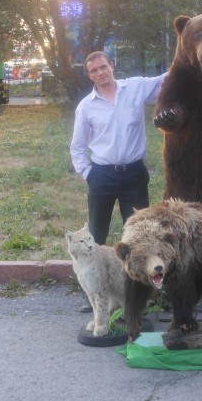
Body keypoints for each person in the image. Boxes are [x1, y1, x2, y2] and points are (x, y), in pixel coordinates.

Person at [70, 51, 167, 309]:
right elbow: (77, 147)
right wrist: (89, 174)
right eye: (94, 71)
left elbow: (166, 80)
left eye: (103, 67)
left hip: (134, 175)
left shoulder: (134, 89)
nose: (100, 73)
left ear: (112, 66)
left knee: (138, 237)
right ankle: (93, 296)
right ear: (89, 75)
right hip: (102, 176)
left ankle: (139, 294)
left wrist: (197, 59)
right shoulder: (87, 107)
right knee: (95, 236)